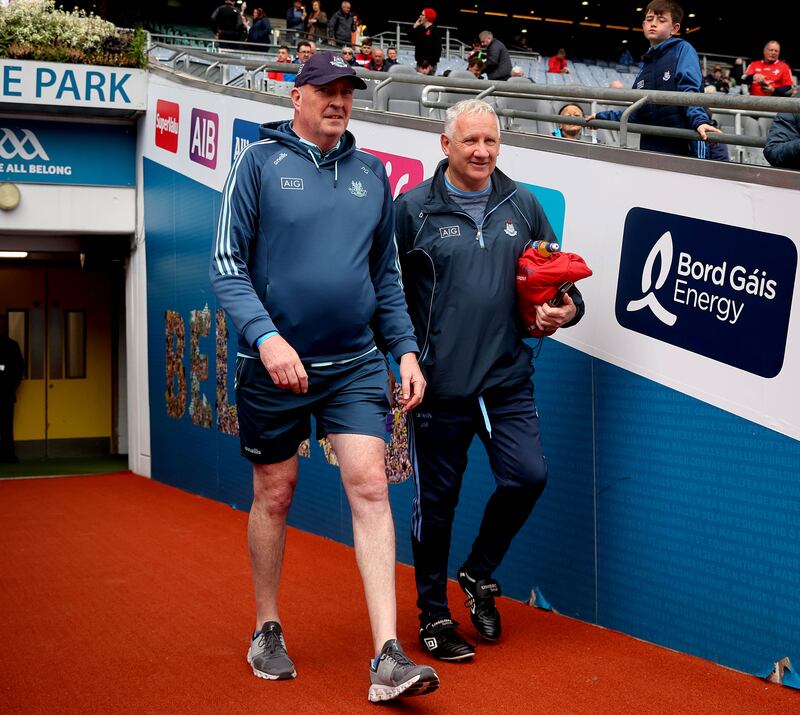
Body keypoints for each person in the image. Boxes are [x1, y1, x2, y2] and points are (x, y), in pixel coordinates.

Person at [209, 51, 439, 702]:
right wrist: (268, 337)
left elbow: (386, 279)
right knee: (275, 494)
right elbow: (227, 265)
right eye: (326, 89)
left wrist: (406, 351)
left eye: (347, 91)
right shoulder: (255, 164)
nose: (338, 100)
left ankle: (388, 655)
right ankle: (266, 626)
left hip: (355, 363)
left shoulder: (372, 174)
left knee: (369, 483)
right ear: (297, 97)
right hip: (272, 366)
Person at [394, 99, 585, 661]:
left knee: (528, 476)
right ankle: (432, 617)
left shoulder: (522, 204)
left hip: (505, 379)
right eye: (471, 141)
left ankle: (478, 573)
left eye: (491, 142)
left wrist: (561, 312)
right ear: (445, 144)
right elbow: (387, 295)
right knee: (438, 503)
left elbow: (561, 287)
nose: (481, 152)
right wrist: (402, 357)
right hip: (439, 386)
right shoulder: (411, 211)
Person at [589, 1, 719, 158]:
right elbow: (638, 112)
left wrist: (700, 121)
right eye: (649, 19)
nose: (653, 24)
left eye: (661, 20)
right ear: (643, 25)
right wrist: (601, 117)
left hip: (684, 144)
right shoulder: (645, 66)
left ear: (675, 28)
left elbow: (690, 90)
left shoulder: (683, 50)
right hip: (651, 145)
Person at [0, 313, 24, 464]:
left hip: (6, 393)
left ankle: (9, 455)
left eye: (2, 325)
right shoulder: (12, 346)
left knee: (6, 426)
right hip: (7, 391)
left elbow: (19, 369)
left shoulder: (12, 346)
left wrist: (12, 386)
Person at [412, 9, 442, 73]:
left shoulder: (434, 30)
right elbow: (411, 39)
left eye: (422, 15)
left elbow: (437, 49)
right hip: (420, 63)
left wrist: (429, 64)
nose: (420, 16)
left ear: (427, 17)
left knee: (427, 83)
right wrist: (415, 27)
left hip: (428, 65)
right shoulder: (421, 29)